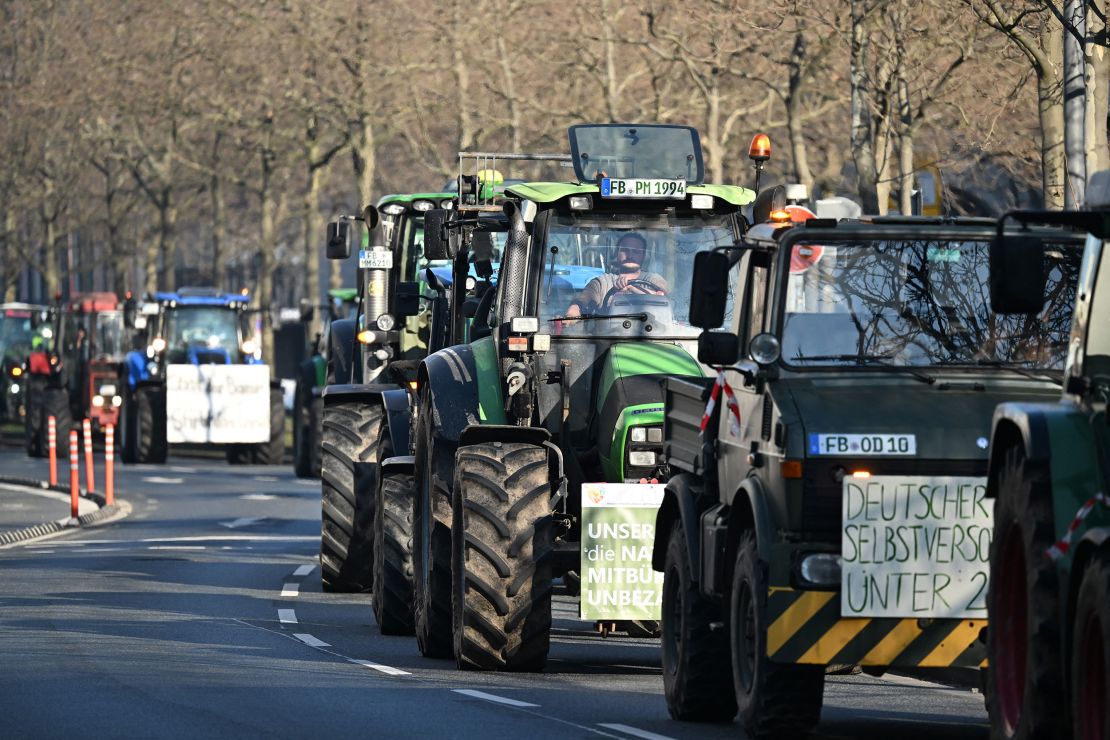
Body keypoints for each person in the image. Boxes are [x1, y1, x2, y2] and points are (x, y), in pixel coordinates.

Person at [564, 232, 668, 317]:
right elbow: (581, 302)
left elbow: (662, 299)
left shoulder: (653, 280)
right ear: (616, 252)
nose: (630, 255)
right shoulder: (602, 282)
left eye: (636, 252)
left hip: (649, 336)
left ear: (643, 256)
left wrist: (631, 287)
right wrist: (571, 314)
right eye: (625, 250)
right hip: (608, 338)